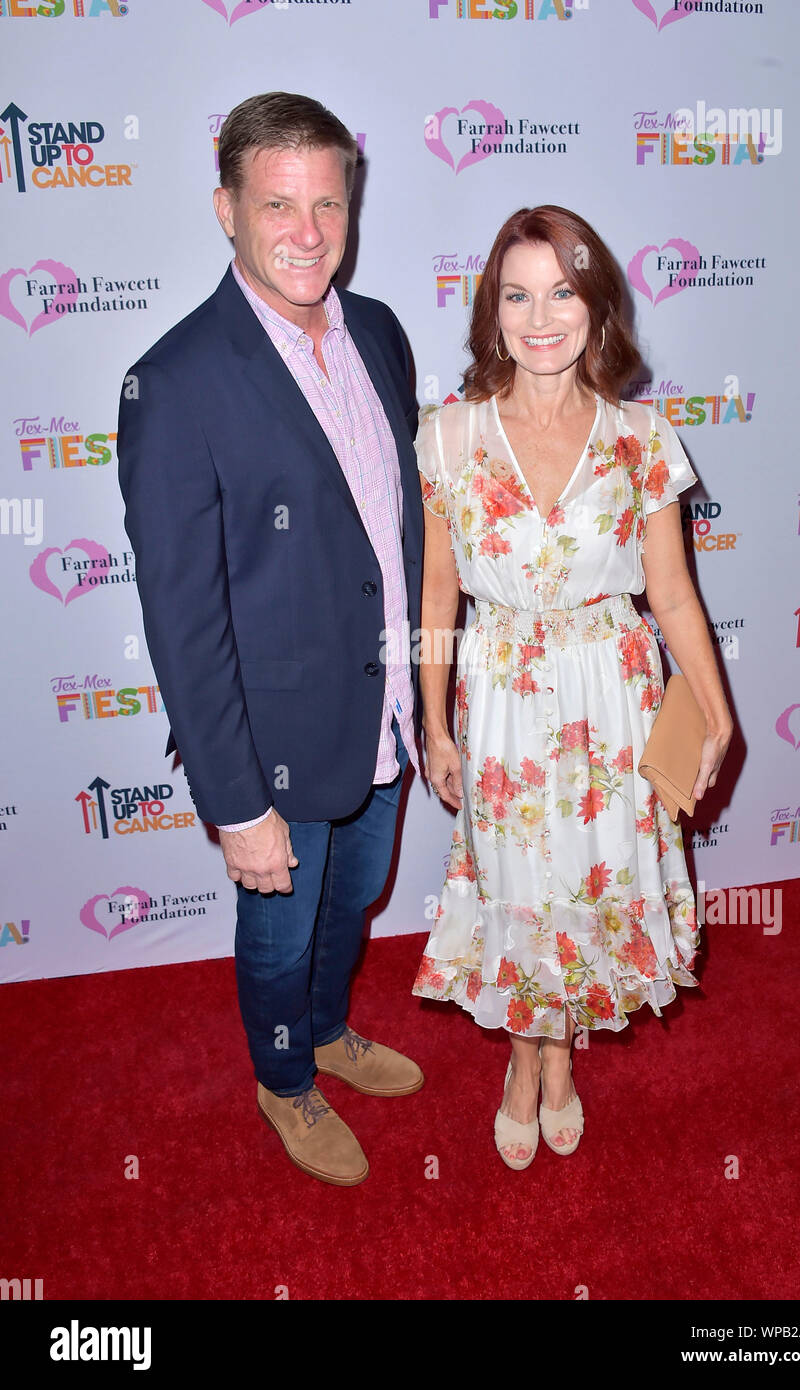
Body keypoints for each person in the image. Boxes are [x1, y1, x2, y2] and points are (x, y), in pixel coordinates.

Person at [117, 92, 425, 1189]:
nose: (306, 231)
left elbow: (398, 531)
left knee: (352, 905)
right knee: (280, 936)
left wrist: (427, 697)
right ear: (225, 210)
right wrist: (236, 802)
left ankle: (331, 1030)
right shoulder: (178, 380)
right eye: (278, 204)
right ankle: (285, 1079)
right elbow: (182, 614)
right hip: (271, 745)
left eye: (326, 203)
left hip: (383, 714)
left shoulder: (380, 331)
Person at [413, 205, 733, 1169]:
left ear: (597, 308)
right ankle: (530, 1061)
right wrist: (433, 721)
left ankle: (559, 1062)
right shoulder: (451, 437)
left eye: (563, 292)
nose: (541, 316)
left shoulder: (641, 436)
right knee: (520, 889)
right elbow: (437, 590)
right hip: (504, 696)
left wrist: (716, 714)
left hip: (615, 698)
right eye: (518, 294)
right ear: (492, 310)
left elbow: (672, 592)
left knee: (591, 887)